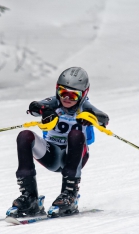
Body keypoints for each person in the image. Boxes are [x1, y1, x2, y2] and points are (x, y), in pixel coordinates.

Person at [10, 67, 109, 217]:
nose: (66, 98)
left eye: (73, 95)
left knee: (75, 135)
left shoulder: (84, 107)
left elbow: (103, 118)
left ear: (83, 94)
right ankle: (30, 198)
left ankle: (69, 195)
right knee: (24, 135)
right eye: (63, 92)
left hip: (75, 157)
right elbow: (34, 106)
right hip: (52, 155)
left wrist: (90, 117)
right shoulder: (54, 103)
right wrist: (45, 110)